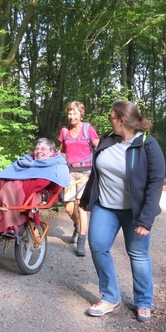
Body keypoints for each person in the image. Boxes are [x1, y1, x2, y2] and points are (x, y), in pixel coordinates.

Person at [80, 101, 165, 323]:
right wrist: (88, 198)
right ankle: (110, 296)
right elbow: (96, 173)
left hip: (134, 212)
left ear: (122, 120)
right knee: (98, 247)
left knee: (138, 254)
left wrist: (145, 221)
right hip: (105, 207)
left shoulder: (147, 144)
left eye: (111, 116)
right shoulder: (109, 139)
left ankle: (144, 301)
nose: (109, 119)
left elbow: (156, 183)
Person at [0, 138, 69, 236]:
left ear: (51, 152)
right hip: (20, 191)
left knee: (14, 187)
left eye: (43, 149)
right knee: (3, 186)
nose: (39, 151)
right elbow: (10, 172)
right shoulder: (25, 161)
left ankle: (15, 225)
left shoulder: (57, 164)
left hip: (43, 193)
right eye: (37, 148)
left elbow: (57, 182)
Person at [58, 101, 100, 256]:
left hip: (85, 173)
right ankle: (77, 225)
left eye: (75, 113)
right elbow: (60, 152)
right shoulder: (64, 131)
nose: (71, 116)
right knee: (69, 208)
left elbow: (99, 147)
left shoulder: (88, 129)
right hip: (68, 173)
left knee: (81, 206)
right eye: (69, 113)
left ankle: (82, 240)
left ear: (81, 114)